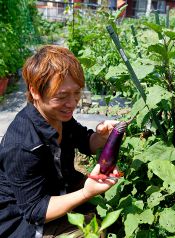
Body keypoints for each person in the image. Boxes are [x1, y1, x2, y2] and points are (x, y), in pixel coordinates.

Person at [0, 45, 120, 238]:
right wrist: (86, 193)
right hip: (23, 223)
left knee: (108, 209)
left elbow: (86, 142)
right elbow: (35, 211)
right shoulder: (22, 145)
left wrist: (102, 137)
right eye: (62, 96)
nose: (72, 103)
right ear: (35, 92)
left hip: (57, 191)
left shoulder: (58, 116)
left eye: (76, 93)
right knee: (91, 233)